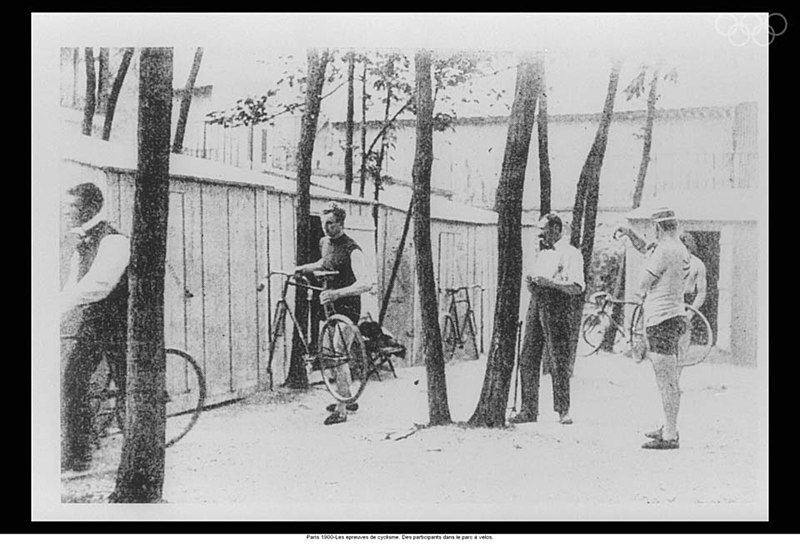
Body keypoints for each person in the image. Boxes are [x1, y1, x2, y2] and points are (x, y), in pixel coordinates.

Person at [60, 182, 130, 471]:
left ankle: (139, 447)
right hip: (96, 323)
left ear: (89, 208)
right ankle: (78, 454)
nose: (67, 211)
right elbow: (73, 286)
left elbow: (99, 286)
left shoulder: (113, 240)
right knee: (73, 381)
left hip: (121, 323)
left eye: (72, 206)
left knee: (131, 386)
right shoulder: (82, 243)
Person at [294, 202, 376, 426]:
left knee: (338, 355)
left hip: (347, 310)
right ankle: (347, 398)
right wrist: (304, 268)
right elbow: (325, 262)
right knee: (332, 355)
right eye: (323, 224)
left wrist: (337, 294)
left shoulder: (353, 249)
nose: (326, 228)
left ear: (341, 224)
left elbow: (366, 283)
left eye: (330, 224)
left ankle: (341, 410)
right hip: (329, 308)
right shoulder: (325, 243)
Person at [510, 212, 585, 426]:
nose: (540, 237)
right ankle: (528, 409)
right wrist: (532, 283)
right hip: (537, 303)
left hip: (558, 305)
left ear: (555, 230)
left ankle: (563, 410)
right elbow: (536, 279)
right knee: (528, 356)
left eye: (543, 232)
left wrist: (549, 283)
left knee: (558, 358)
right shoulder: (543, 254)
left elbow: (576, 287)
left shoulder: (571, 254)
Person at [630, 207, 691, 450]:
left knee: (666, 379)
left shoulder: (664, 250)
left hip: (661, 319)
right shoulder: (681, 249)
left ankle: (671, 434)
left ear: (657, 227)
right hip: (675, 314)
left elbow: (642, 283)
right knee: (669, 378)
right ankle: (668, 426)